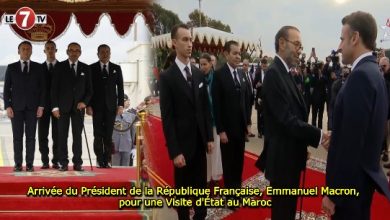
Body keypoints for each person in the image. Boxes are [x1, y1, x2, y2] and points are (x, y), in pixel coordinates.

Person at [322, 11, 390, 219]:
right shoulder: (373, 73)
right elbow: (363, 130)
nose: (340, 46)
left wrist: (334, 194)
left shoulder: (360, 76)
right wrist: (339, 135)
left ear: (355, 38)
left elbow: (352, 145)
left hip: (350, 189)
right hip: (361, 183)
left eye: (342, 38)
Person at [257, 26, 328, 220]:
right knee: (282, 212)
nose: (300, 49)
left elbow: (297, 112)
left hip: (291, 156)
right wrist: (320, 135)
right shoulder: (273, 74)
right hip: (281, 161)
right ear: (281, 43)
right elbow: (287, 120)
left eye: (301, 46)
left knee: (288, 211)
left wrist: (301, 145)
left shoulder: (286, 72)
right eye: (297, 44)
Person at [159, 24, 213, 220]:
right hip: (181, 146)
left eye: (191, 40)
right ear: (174, 43)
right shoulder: (167, 77)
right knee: (182, 193)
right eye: (184, 40)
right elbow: (168, 117)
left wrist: (208, 137)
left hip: (200, 144)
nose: (190, 44)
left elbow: (205, 108)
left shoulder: (199, 74)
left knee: (201, 190)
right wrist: (175, 151)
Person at [212, 40, 247, 200]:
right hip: (227, 130)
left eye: (239, 53)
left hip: (240, 129)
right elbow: (216, 106)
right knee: (229, 164)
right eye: (235, 53)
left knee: (239, 163)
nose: (238, 56)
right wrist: (221, 130)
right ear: (226, 54)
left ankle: (237, 192)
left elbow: (243, 102)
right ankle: (230, 196)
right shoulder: (219, 75)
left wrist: (246, 125)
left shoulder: (241, 73)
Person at [3, 41, 45, 172]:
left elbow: (43, 89)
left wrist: (41, 106)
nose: (26, 51)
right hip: (16, 108)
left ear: (31, 51)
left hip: (33, 108)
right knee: (17, 137)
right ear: (18, 51)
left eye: (28, 49)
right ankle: (18, 164)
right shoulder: (11, 68)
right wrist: (8, 106)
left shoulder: (39, 68)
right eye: (23, 49)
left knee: (31, 137)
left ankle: (30, 164)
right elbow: (6, 90)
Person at [51, 42, 93, 172]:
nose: (74, 52)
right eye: (72, 50)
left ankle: (77, 163)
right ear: (67, 52)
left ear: (80, 52)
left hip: (78, 109)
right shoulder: (59, 67)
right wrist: (55, 107)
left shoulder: (86, 68)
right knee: (62, 136)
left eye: (77, 50)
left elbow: (90, 90)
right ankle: (63, 163)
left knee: (77, 136)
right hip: (62, 108)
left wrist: (85, 102)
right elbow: (53, 89)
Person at [87, 44, 124, 168]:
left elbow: (121, 88)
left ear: (110, 53)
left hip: (111, 107)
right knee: (97, 134)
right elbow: (89, 88)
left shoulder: (116, 68)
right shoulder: (91, 68)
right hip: (96, 107)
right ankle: (99, 159)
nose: (105, 54)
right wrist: (89, 105)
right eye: (102, 52)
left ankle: (107, 159)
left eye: (107, 51)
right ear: (98, 54)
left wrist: (121, 105)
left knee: (108, 135)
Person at [199, 53, 223, 188]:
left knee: (216, 151)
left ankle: (216, 177)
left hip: (216, 121)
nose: (202, 67)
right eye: (200, 64)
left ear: (211, 64)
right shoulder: (199, 79)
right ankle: (207, 178)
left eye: (205, 64)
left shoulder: (217, 78)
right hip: (204, 122)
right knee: (207, 152)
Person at [38, 40, 59, 169]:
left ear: (56, 51)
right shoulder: (39, 68)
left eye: (52, 48)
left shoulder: (63, 67)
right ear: (44, 51)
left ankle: (56, 161)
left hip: (58, 108)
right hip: (43, 107)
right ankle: (45, 161)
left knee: (57, 135)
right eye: (48, 48)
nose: (50, 50)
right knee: (42, 135)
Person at [112, 94, 137, 166]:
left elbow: (133, 133)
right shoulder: (111, 115)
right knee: (115, 167)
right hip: (115, 146)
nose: (128, 102)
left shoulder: (131, 116)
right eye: (126, 101)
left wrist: (134, 147)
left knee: (125, 168)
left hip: (127, 145)